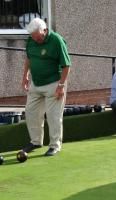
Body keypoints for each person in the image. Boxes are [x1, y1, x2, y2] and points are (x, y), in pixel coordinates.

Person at [21, 18, 71, 156]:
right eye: (34, 37)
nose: (36, 40)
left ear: (45, 30)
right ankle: (36, 141)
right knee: (30, 112)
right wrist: (25, 75)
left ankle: (55, 145)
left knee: (53, 116)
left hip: (54, 83)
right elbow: (29, 59)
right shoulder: (31, 40)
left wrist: (61, 85)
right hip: (36, 83)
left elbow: (67, 65)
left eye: (39, 37)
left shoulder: (56, 40)